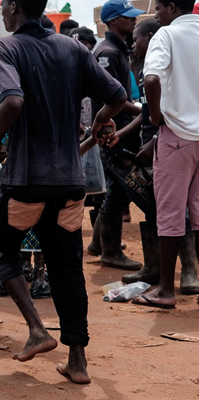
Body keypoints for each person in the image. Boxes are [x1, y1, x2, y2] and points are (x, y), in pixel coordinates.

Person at [0, 0, 126, 384]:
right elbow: (117, 97)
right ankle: (77, 361)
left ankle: (36, 329)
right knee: (67, 267)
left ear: (13, 6)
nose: (1, 13)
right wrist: (101, 120)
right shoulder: (74, 48)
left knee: (0, 248)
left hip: (26, 181)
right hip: (69, 182)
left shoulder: (6, 47)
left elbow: (12, 99)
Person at [107, 18, 199, 295]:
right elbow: (146, 108)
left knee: (172, 212)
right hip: (173, 140)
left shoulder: (165, 43)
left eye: (138, 38)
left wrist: (159, 126)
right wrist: (128, 132)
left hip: (173, 140)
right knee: (173, 210)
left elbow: (156, 90)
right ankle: (159, 270)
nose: (134, 44)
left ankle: (175, 283)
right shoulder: (145, 64)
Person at [130, 0, 199, 309]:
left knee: (170, 215)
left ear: (171, 7)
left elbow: (151, 79)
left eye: (157, 7)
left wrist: (156, 116)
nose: (155, 14)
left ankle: (165, 290)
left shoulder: (166, 35)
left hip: (177, 136)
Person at [87, 0, 144, 270]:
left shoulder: (118, 49)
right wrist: (142, 110)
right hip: (114, 131)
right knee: (118, 193)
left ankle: (99, 244)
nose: (133, 21)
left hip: (121, 127)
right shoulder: (108, 52)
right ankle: (109, 251)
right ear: (112, 22)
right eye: (127, 17)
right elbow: (109, 96)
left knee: (117, 191)